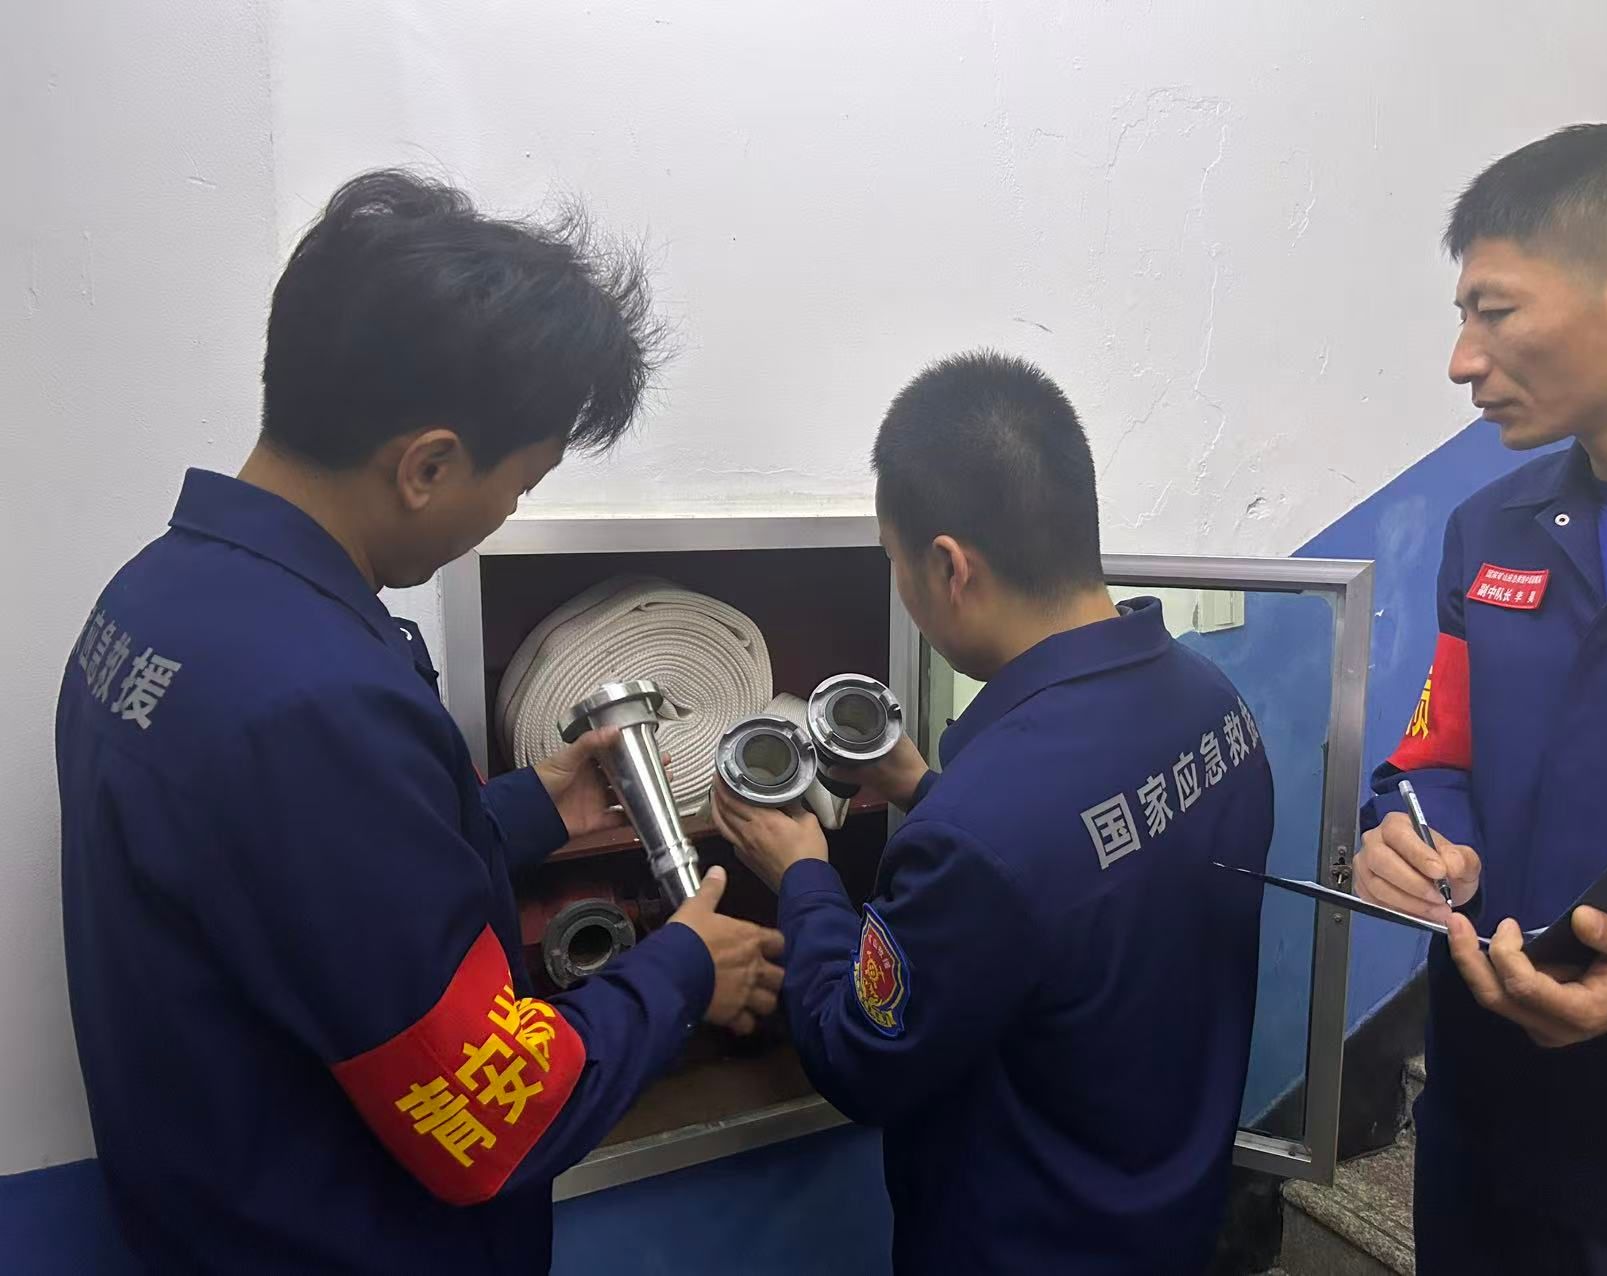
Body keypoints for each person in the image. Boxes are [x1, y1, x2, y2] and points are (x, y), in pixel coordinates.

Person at [56, 170, 784, 1274]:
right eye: (521, 483)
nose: (510, 510)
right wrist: (685, 971)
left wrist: (529, 807)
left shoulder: (154, 600)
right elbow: (488, 1115)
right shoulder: (319, 703)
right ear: (428, 465)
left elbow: (301, 894)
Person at [711, 351, 1277, 1275]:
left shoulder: (982, 833)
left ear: (949, 567)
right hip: (1170, 1214)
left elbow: (860, 1056)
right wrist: (924, 787)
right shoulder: (1213, 705)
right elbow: (1072, 888)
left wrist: (803, 873)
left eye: (893, 561)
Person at [1354, 124, 1607, 1274]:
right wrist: (1415, 837)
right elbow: (1433, 753)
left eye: (1493, 312)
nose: (1461, 361)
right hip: (1481, 1130)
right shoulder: (1491, 531)